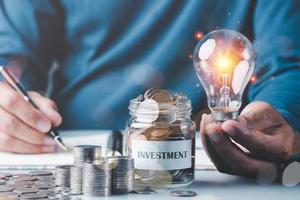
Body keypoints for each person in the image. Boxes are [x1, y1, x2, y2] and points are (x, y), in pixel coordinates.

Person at [0, 0, 299, 180]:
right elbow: (12, 57)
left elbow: (287, 59)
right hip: (76, 151)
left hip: (220, 156)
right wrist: (8, 105)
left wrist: (281, 116)